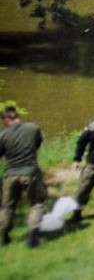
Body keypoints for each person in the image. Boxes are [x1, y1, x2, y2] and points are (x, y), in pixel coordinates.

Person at [0, 106, 47, 248]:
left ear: (7, 119)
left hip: (10, 174)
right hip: (30, 172)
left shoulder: (2, 135)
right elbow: (37, 144)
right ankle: (32, 237)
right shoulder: (33, 128)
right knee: (37, 203)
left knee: (7, 207)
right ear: (17, 116)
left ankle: (4, 236)